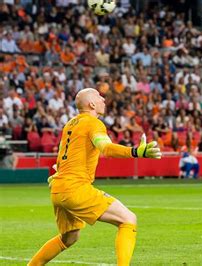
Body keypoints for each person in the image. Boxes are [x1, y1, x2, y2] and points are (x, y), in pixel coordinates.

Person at [28, 88, 162, 266]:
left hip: (58, 188)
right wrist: (136, 152)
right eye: (99, 97)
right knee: (128, 219)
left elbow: (63, 157)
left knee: (69, 238)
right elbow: (105, 148)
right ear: (91, 104)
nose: (103, 99)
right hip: (75, 188)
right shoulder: (93, 123)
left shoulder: (70, 124)